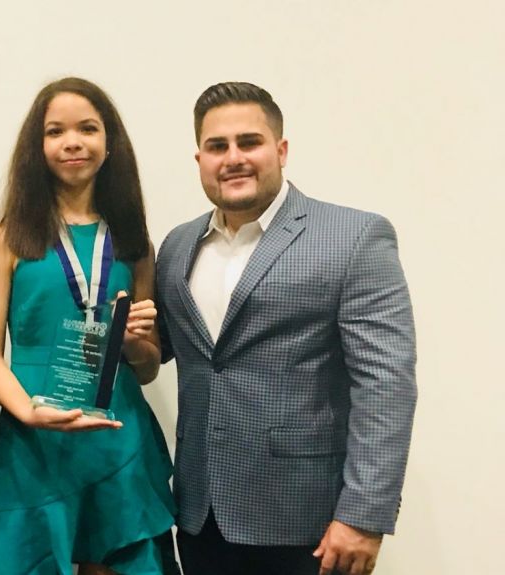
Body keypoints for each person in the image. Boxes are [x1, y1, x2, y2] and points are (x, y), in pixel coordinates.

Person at [155, 82, 417, 575]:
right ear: (200, 159)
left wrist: (363, 515)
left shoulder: (353, 237)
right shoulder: (177, 245)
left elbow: (385, 385)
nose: (233, 158)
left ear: (281, 150)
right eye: (217, 146)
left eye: (249, 142)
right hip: (199, 516)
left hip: (309, 524)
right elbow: (162, 351)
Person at [0, 77, 179, 575]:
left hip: (117, 435)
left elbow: (147, 368)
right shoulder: (4, 239)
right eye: (56, 131)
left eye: (87, 128)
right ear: (37, 147)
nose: (72, 142)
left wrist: (134, 344)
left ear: (110, 144)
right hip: (35, 436)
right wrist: (28, 410)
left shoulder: (134, 242)